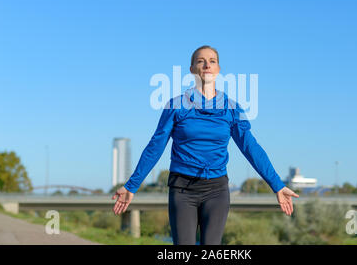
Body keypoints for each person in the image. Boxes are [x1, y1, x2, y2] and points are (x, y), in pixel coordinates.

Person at [112, 45, 299, 245]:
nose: (207, 64)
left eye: (212, 61)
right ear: (192, 69)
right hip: (182, 189)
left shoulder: (232, 108)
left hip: (217, 190)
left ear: (218, 69)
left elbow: (250, 147)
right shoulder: (176, 105)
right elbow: (155, 146)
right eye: (201, 61)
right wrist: (132, 185)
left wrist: (277, 185)